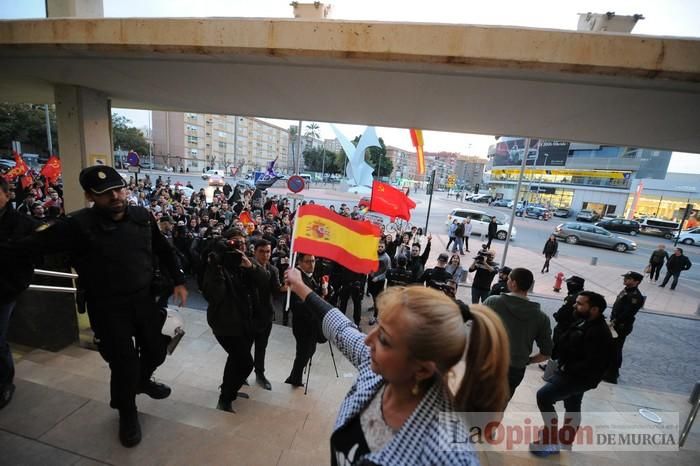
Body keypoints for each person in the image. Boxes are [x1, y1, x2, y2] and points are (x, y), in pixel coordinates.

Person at [3, 166, 187, 447]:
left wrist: (178, 280)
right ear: (90, 196)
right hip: (108, 307)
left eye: (119, 189)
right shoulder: (76, 226)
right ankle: (127, 412)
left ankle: (142, 380)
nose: (115, 196)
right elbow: (28, 246)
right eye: (105, 193)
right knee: (123, 364)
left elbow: (163, 248)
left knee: (156, 350)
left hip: (144, 300)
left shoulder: (141, 217)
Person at [284, 267, 510, 464]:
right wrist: (301, 287)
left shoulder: (448, 454)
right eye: (378, 327)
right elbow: (342, 329)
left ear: (422, 369)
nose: (367, 340)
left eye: (384, 339)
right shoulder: (377, 372)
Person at [530, 291, 613, 457]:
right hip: (572, 373)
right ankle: (565, 440)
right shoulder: (584, 321)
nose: (575, 305)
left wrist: (567, 369)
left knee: (544, 396)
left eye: (580, 304)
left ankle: (551, 440)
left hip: (576, 377)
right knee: (573, 406)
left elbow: (593, 363)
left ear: (595, 309)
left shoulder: (599, 332)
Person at [202, 231, 256, 412]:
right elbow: (215, 295)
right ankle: (225, 398)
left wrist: (248, 268)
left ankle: (228, 388)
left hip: (244, 321)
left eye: (243, 242)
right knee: (246, 363)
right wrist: (216, 266)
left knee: (235, 359)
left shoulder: (241, 263)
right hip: (225, 324)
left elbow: (256, 285)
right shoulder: (217, 267)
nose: (241, 246)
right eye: (236, 243)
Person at [484, 268, 552, 399]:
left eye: (509, 279)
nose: (507, 281)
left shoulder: (493, 302)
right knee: (499, 405)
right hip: (515, 370)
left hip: (488, 363)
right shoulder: (541, 317)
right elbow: (546, 352)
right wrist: (528, 360)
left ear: (513, 283)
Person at [0, 178, 37, 410]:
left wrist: (15, 285)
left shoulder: (22, 224)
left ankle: (5, 383)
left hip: (4, 291)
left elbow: (29, 259)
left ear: (6, 195)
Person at [285, 253, 328, 387]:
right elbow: (296, 305)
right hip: (303, 325)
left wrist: (324, 291)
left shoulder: (311, 276)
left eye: (313, 261)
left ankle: (293, 376)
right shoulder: (297, 279)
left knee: (310, 351)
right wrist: (315, 302)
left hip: (312, 323)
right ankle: (295, 379)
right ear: (300, 263)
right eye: (308, 261)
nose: (312, 264)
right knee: (304, 353)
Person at [249, 239, 285, 391]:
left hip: (265, 314)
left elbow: (276, 291)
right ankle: (239, 374)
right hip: (248, 314)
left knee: (261, 347)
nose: (265, 255)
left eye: (268, 252)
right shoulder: (248, 265)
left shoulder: (273, 270)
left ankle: (260, 374)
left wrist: (287, 286)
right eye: (262, 251)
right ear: (255, 252)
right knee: (244, 348)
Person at [603, 271, 645, 384]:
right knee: (611, 348)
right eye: (626, 277)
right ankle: (608, 370)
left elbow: (628, 313)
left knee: (616, 349)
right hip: (615, 323)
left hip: (621, 326)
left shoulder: (635, 296)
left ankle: (612, 375)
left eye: (628, 278)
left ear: (636, 282)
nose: (625, 279)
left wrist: (615, 321)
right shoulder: (626, 290)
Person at [550, 276, 585, 361]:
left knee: (558, 346)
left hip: (564, 326)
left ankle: (552, 365)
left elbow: (562, 313)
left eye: (569, 284)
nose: (567, 285)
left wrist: (556, 315)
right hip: (571, 325)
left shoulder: (573, 298)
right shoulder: (581, 295)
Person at [367, 241, 391, 325]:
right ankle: (374, 306)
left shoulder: (386, 258)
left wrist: (378, 277)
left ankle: (375, 316)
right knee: (373, 295)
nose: (380, 248)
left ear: (385, 247)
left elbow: (387, 271)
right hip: (371, 279)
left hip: (379, 281)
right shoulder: (373, 254)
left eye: (382, 247)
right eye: (379, 246)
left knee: (377, 298)